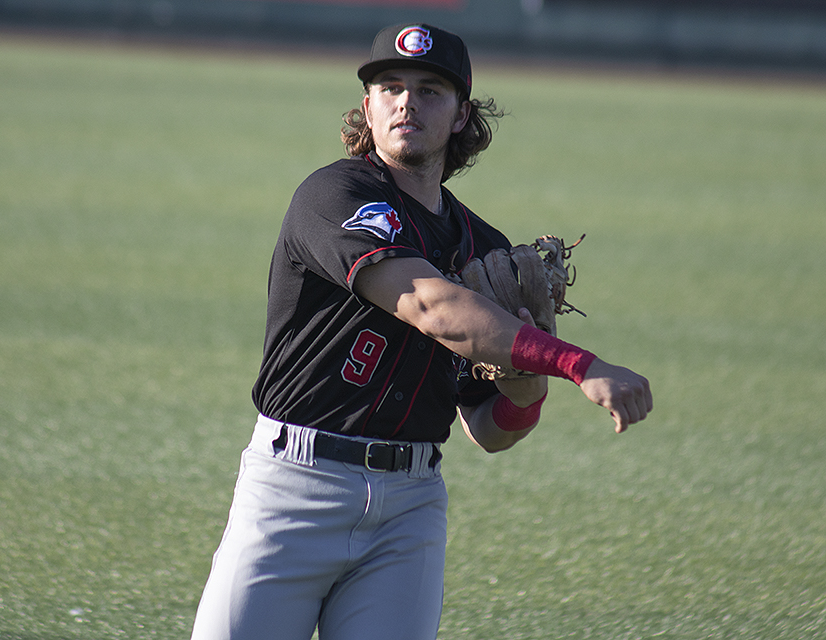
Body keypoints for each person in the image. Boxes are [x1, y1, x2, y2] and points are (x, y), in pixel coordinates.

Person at [190, 23, 652, 640]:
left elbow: (492, 429)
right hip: (294, 491)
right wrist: (577, 364)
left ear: (461, 115)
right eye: (390, 86)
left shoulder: (480, 245)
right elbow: (428, 304)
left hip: (409, 512)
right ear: (368, 106)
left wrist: (526, 376)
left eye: (430, 90)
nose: (407, 101)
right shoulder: (335, 194)